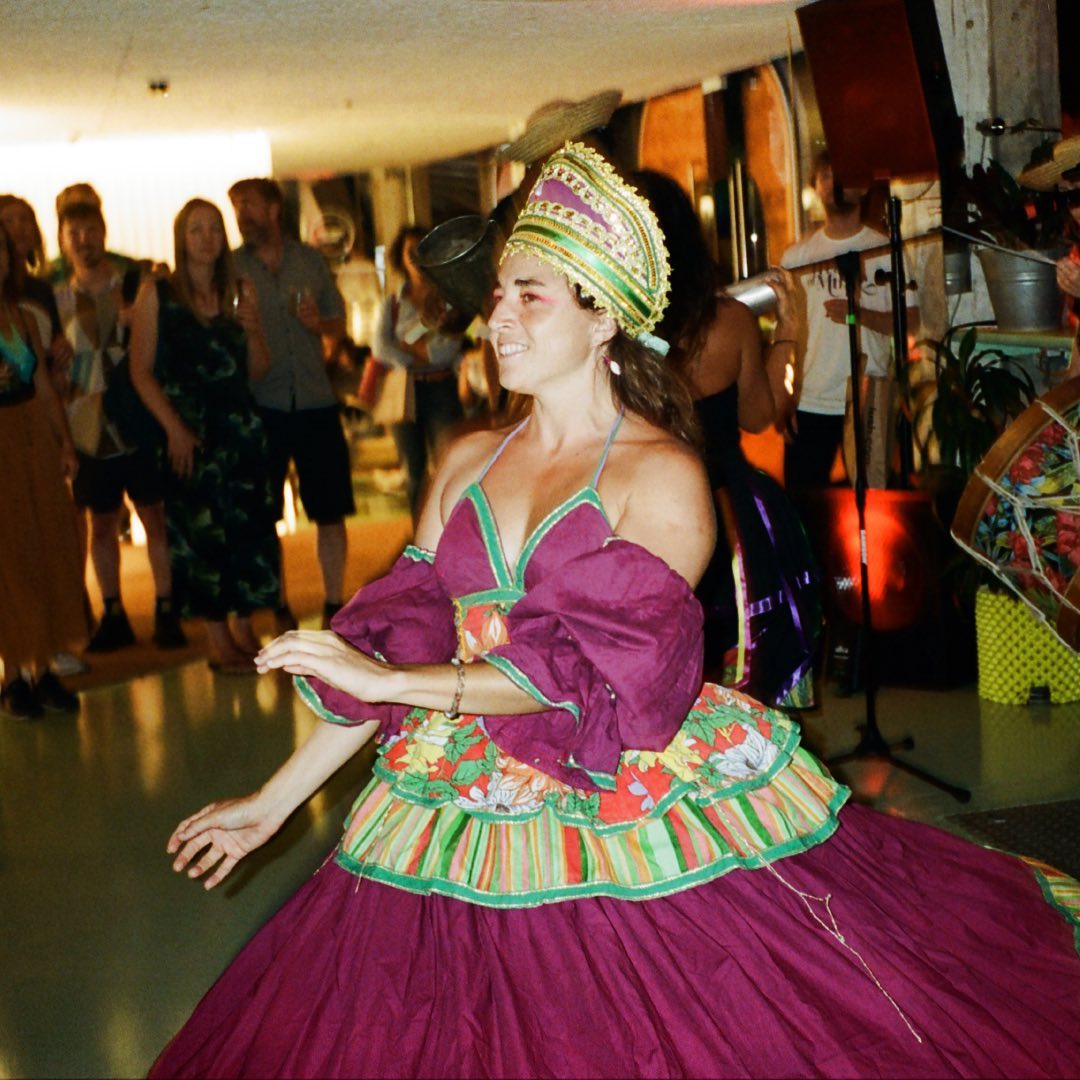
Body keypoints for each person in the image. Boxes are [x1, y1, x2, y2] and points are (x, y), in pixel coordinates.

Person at [152, 144, 1079, 1079]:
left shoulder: (663, 476)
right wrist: (272, 804)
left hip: (609, 775)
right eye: (499, 295)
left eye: (529, 297)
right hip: (451, 787)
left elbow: (573, 671)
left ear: (603, 319)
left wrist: (397, 683)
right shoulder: (466, 461)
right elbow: (397, 642)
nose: (497, 319)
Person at [637, 169, 821, 709]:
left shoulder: (612, 333)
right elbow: (760, 416)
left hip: (643, 512)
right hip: (728, 508)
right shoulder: (730, 320)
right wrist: (788, 335)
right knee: (745, 661)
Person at [129, 199, 280, 674]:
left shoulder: (239, 289)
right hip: (188, 433)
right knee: (202, 536)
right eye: (196, 229)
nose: (207, 238)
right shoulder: (158, 294)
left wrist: (254, 332)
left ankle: (244, 626)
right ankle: (218, 639)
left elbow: (256, 370)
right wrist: (174, 428)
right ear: (181, 237)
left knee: (250, 531)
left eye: (214, 228)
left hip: (240, 432)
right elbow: (140, 372)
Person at [52, 200, 184, 652]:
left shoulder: (135, 285)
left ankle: (167, 607)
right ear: (63, 240)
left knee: (155, 516)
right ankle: (112, 613)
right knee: (102, 523)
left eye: (91, 230)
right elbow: (53, 371)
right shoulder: (57, 299)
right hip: (86, 425)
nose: (84, 240)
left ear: (104, 232)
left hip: (138, 418)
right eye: (74, 232)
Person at [228, 178, 354, 631]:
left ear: (273, 208)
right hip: (263, 403)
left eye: (249, 205)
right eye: (236, 207)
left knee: (330, 508)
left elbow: (339, 322)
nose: (242, 215)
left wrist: (320, 323)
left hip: (316, 400)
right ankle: (278, 602)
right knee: (265, 513)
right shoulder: (231, 267)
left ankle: (334, 602)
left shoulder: (309, 260)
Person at [779, 151, 918, 493]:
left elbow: (911, 320)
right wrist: (783, 397)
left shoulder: (885, 249)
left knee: (874, 502)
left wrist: (858, 314)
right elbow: (787, 333)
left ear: (864, 186)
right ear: (815, 187)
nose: (834, 184)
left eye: (842, 175)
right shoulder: (796, 257)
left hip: (869, 396)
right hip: (811, 400)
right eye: (825, 176)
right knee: (804, 504)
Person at [0, 221, 87, 718]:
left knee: (50, 550)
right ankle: (12, 675)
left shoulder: (22, 316)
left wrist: (65, 442)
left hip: (33, 442)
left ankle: (44, 668)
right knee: (9, 562)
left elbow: (44, 390)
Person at [374, 225, 467, 516]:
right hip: (406, 392)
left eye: (422, 249)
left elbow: (447, 348)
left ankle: (449, 531)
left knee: (449, 465)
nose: (416, 257)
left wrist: (408, 346)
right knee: (414, 471)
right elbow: (380, 348)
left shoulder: (449, 299)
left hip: (443, 389)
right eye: (409, 252)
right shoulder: (392, 303)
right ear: (400, 258)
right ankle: (420, 535)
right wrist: (417, 354)